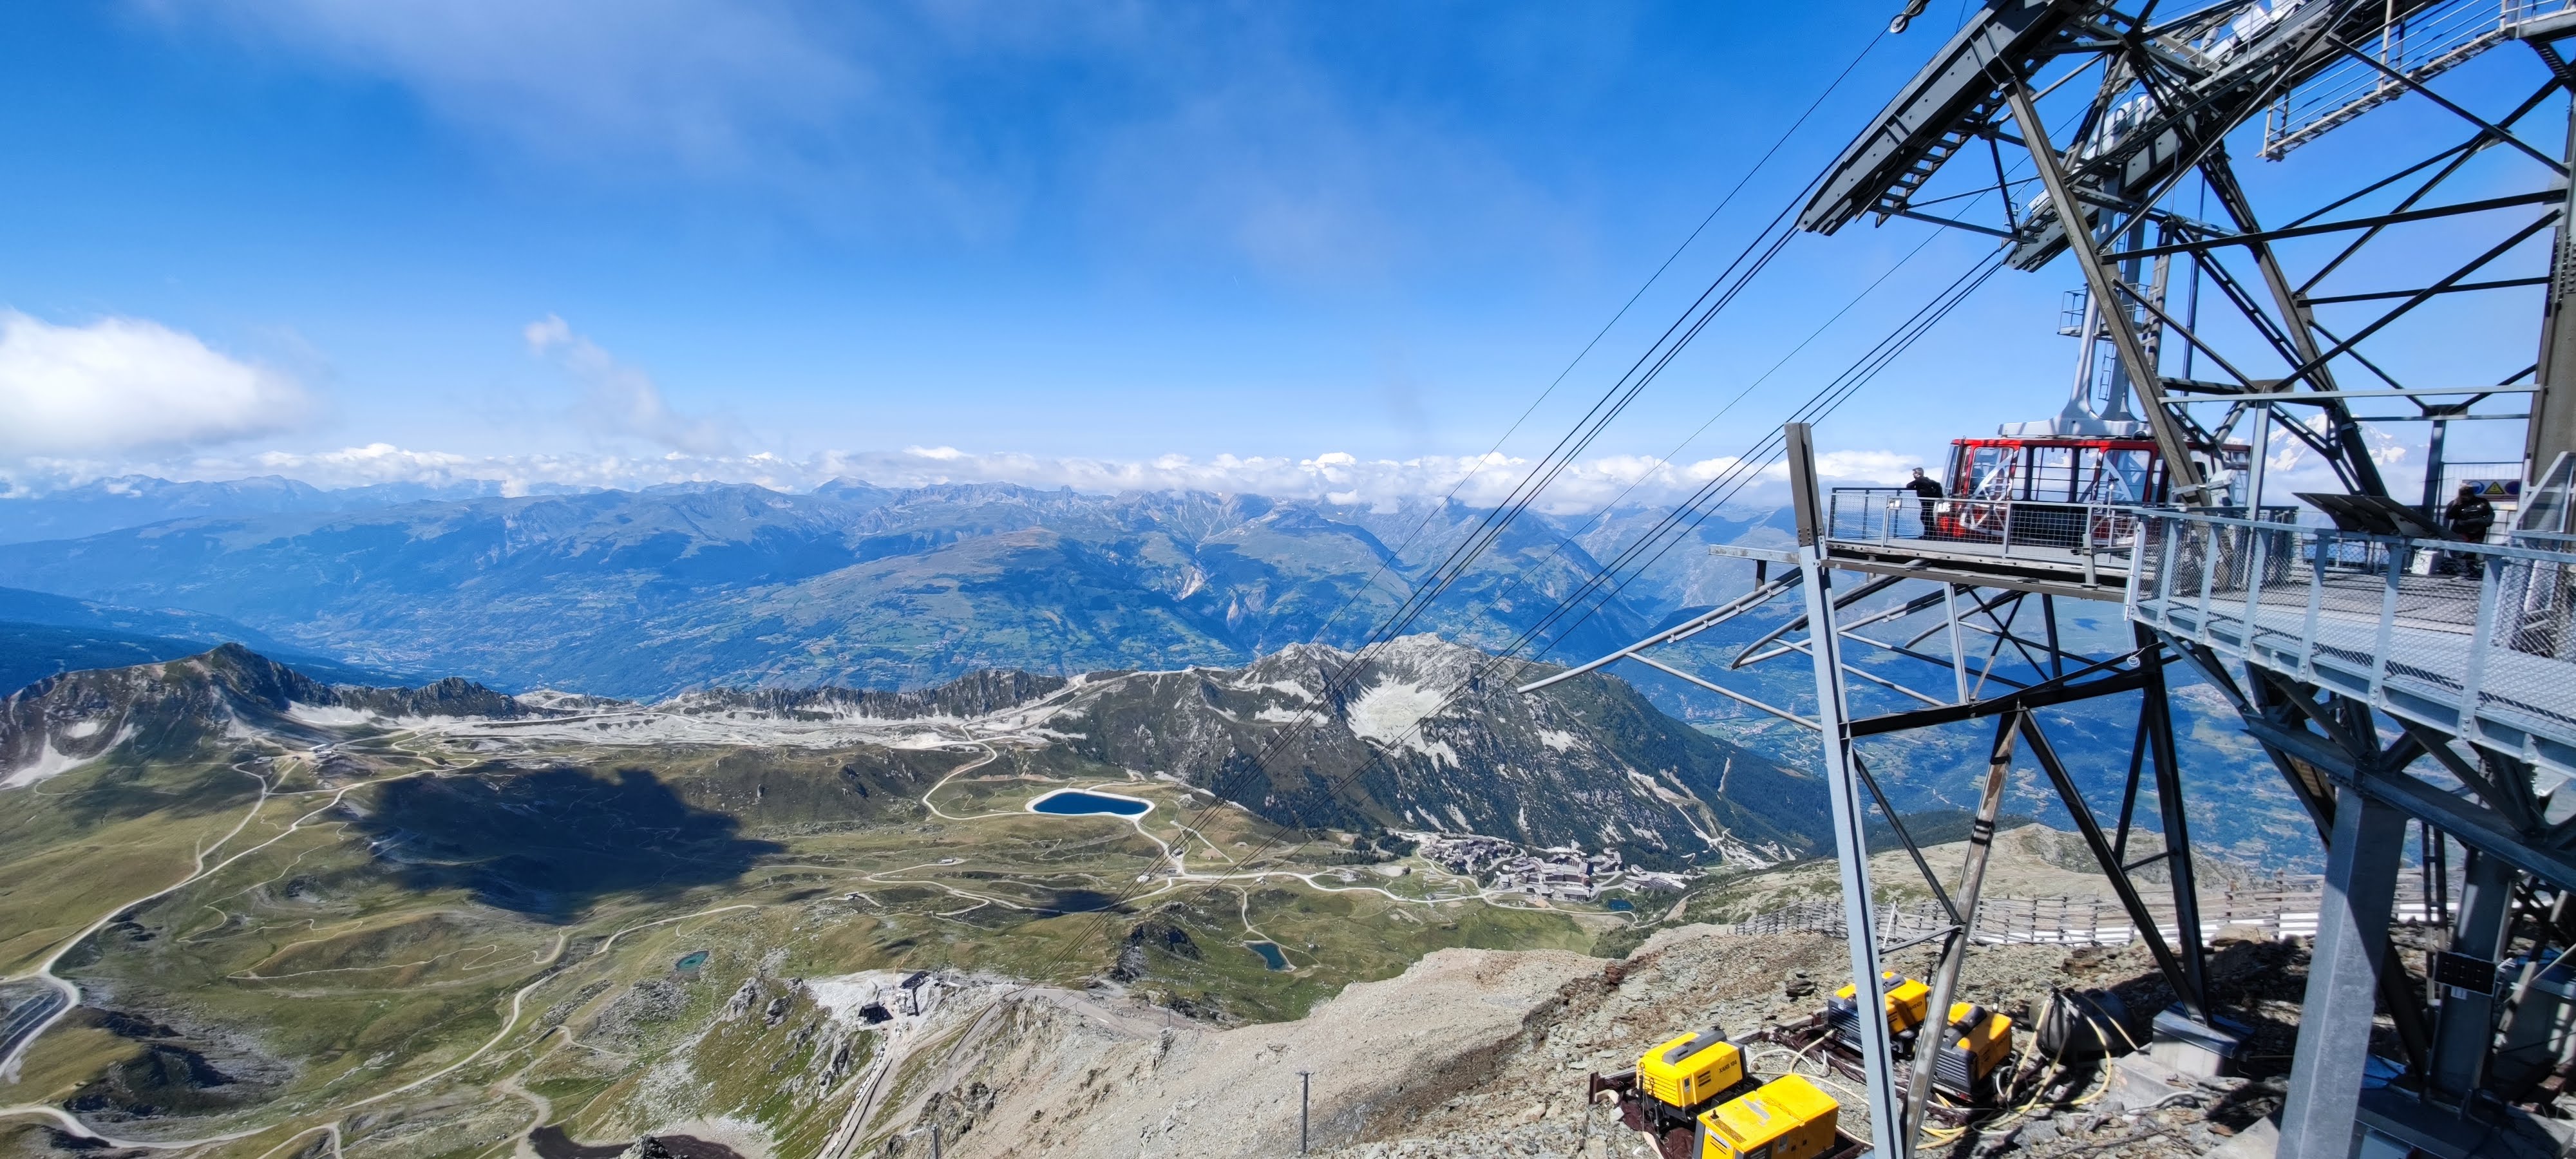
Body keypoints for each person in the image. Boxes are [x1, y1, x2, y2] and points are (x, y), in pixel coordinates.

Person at [2439, 483, 2496, 576]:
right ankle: (2462, 574)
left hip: (2477, 532)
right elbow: (2449, 516)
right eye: (2463, 492)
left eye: (2468, 491)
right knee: (2460, 553)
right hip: (2461, 532)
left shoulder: (2482, 502)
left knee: (2471, 552)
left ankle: (2470, 571)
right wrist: (2457, 503)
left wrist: (2484, 522)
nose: (2466, 494)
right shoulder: (2457, 503)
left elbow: (2490, 514)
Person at [1904, 467, 1944, 538]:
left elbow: (1908, 486)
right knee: (1929, 517)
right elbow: (1938, 485)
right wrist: (1938, 495)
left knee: (1924, 517)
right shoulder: (1928, 480)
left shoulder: (1920, 480)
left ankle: (1929, 535)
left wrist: (1916, 486)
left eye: (1914, 473)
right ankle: (1931, 534)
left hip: (1925, 501)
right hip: (1931, 501)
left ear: (1917, 474)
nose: (1913, 475)